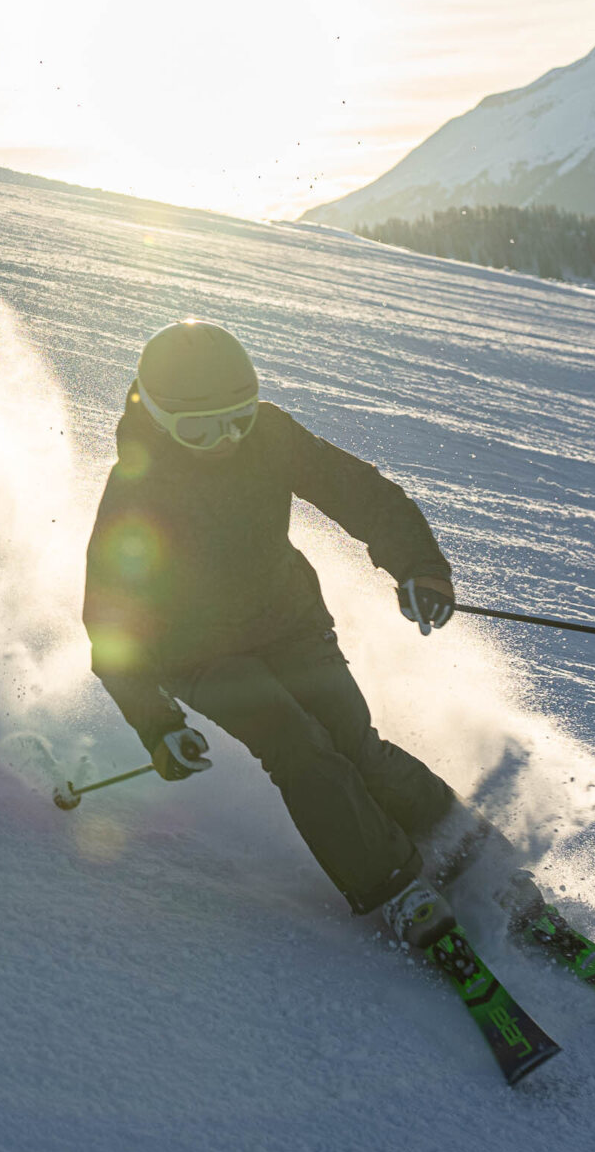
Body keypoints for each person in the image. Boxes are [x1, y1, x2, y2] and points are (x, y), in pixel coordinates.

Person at [83, 319, 533, 949]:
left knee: (355, 743)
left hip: (288, 623)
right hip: (198, 652)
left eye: (237, 417)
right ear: (158, 417)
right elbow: (110, 620)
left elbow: (362, 494)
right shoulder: (136, 490)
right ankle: (395, 888)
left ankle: (469, 854)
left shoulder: (269, 437)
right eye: (200, 428)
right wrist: (158, 722)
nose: (225, 440)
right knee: (299, 748)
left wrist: (420, 568)